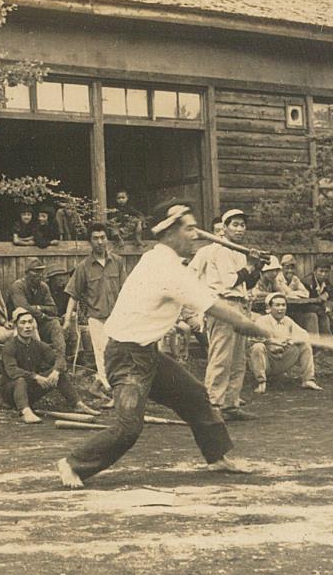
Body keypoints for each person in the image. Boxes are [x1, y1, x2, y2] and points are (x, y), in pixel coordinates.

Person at [56, 202, 273, 489]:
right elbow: (215, 307)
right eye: (189, 229)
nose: (195, 235)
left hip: (146, 353)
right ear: (170, 233)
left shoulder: (162, 261)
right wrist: (258, 327)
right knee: (128, 427)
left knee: (196, 396)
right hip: (126, 356)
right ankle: (73, 463)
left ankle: (217, 457)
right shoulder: (166, 268)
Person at [197, 209, 263, 421]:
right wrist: (251, 265)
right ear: (224, 228)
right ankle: (212, 405)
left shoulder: (237, 251)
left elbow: (246, 282)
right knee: (221, 357)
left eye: (242, 225)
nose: (239, 229)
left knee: (237, 360)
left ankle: (230, 404)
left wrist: (256, 268)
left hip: (240, 304)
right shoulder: (220, 250)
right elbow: (229, 281)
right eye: (234, 224)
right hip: (223, 305)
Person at [2, 308, 99, 423]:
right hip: (11, 393)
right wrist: (36, 376)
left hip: (31, 391)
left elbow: (59, 358)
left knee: (59, 373)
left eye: (30, 322)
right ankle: (25, 412)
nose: (27, 326)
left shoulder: (38, 345)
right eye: (23, 323)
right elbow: (12, 370)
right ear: (16, 326)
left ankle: (77, 404)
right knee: (20, 380)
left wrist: (56, 371)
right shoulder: (9, 346)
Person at [63, 222, 124, 396]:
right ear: (90, 242)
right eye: (95, 238)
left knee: (119, 353)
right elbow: (73, 294)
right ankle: (111, 391)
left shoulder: (118, 262)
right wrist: (67, 320)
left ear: (107, 239)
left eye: (102, 237)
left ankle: (99, 385)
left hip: (117, 317)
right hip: (97, 318)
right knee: (103, 354)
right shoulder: (83, 267)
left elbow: (126, 290)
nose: (99, 242)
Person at [248, 293, 323, 394]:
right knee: (257, 347)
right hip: (266, 362)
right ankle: (261, 382)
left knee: (305, 345)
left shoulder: (287, 321)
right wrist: (272, 341)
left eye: (283, 305)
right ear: (269, 308)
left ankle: (308, 380)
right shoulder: (262, 320)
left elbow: (305, 335)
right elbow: (252, 338)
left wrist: (291, 340)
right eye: (277, 305)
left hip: (282, 359)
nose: (281, 308)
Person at [7, 257, 66, 357]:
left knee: (55, 323)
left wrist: (38, 307)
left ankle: (61, 358)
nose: (39, 275)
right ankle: (38, 359)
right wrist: (43, 315)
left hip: (40, 323)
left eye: (41, 271)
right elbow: (23, 309)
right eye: (35, 271)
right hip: (18, 324)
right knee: (30, 321)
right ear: (27, 273)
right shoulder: (18, 286)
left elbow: (53, 309)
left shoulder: (43, 286)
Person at [303, 260, 333, 336]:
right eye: (321, 271)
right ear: (314, 271)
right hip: (304, 310)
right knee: (323, 316)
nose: (323, 274)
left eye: (326, 272)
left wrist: (327, 294)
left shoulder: (324, 281)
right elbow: (306, 302)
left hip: (317, 308)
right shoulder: (307, 282)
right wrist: (324, 309)